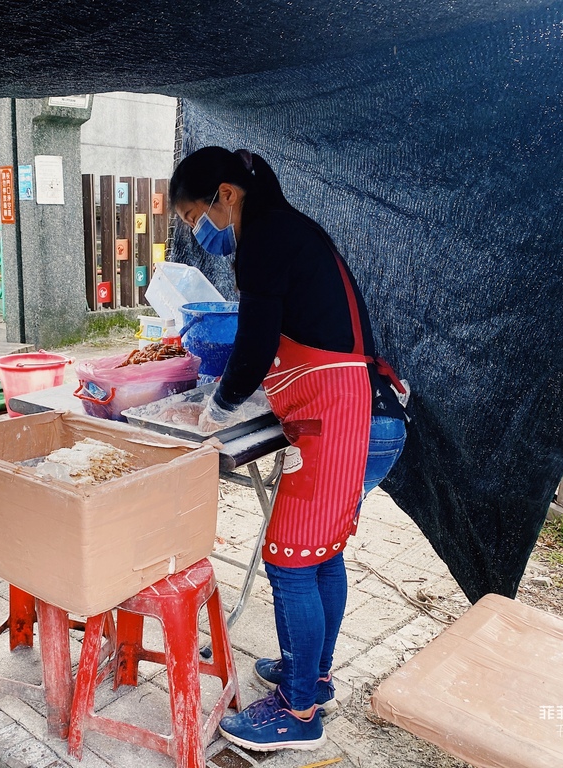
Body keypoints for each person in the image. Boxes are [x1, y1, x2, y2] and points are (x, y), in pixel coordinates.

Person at [170, 146, 408, 752]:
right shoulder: (291, 230)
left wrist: (218, 408)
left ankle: (298, 713)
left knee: (291, 558)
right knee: (321, 552)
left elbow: (253, 342)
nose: (199, 232)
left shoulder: (265, 238)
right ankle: (313, 675)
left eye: (194, 214)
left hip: (339, 414)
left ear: (226, 195)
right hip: (358, 411)